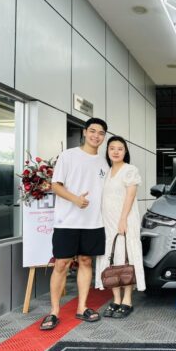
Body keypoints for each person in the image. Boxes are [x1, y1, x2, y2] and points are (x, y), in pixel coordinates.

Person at [40, 118, 109, 330]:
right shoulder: (68, 156)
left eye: (101, 133)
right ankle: (54, 311)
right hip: (67, 220)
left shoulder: (104, 163)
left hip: (93, 221)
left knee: (86, 261)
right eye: (93, 131)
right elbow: (55, 186)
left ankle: (82, 307)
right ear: (85, 132)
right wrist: (75, 200)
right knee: (61, 264)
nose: (96, 136)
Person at [95, 136, 145, 318]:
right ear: (107, 151)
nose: (115, 152)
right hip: (107, 222)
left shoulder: (130, 170)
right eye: (112, 148)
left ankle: (127, 300)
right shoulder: (106, 172)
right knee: (111, 258)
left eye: (120, 149)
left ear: (125, 152)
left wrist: (123, 219)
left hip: (125, 220)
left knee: (126, 257)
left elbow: (130, 196)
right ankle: (116, 299)